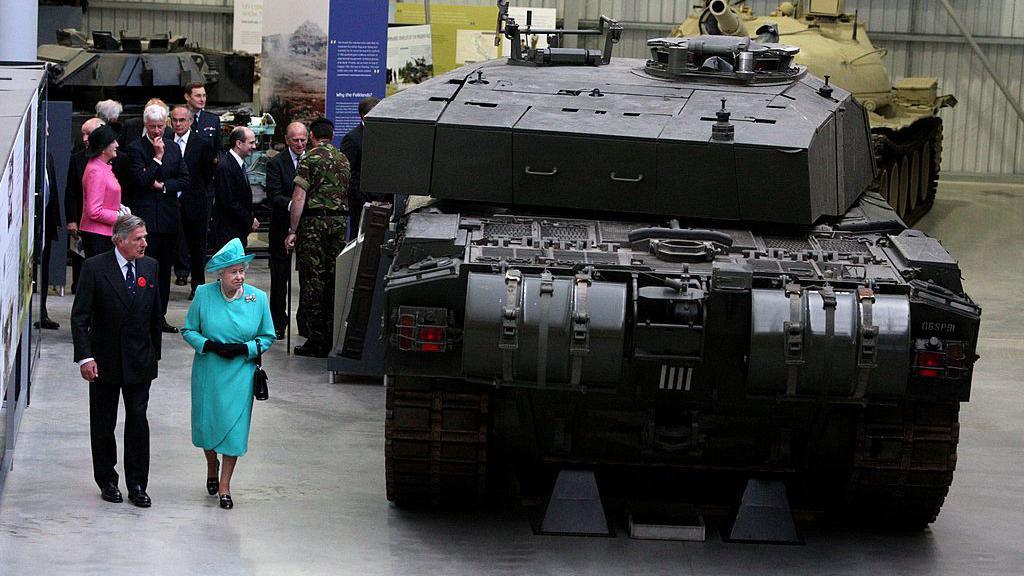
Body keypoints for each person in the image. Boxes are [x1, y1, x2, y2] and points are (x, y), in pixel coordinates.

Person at [71, 215, 162, 508]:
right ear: (119, 241)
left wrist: (153, 357)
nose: (144, 243)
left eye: (145, 237)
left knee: (138, 420)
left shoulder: (151, 267)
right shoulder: (94, 268)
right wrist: (85, 357)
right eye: (138, 239)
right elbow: (81, 317)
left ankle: (137, 483)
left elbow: (154, 317)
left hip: (139, 361)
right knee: (103, 423)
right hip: (104, 361)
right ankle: (107, 480)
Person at [181, 238, 275, 510]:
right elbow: (188, 330)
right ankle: (212, 464)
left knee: (234, 431)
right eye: (233, 271)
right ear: (220, 274)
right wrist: (207, 345)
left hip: (240, 373)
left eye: (242, 270)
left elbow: (268, 336)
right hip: (209, 370)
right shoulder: (203, 294)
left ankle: (224, 487)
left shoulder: (258, 299)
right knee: (206, 428)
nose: (239, 276)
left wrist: (245, 348)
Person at [284, 118, 350, 357]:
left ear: (312, 135)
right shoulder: (343, 159)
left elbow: (299, 197)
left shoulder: (309, 158)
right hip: (339, 223)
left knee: (313, 281)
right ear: (332, 136)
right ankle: (333, 336)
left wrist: (293, 230)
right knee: (334, 279)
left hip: (314, 224)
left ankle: (317, 340)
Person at [124, 103, 191, 333]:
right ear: (145, 125)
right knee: (144, 269)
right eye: (152, 127)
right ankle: (141, 315)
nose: (156, 131)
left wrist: (163, 186)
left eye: (160, 126)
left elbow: (184, 179)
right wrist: (157, 159)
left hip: (168, 219)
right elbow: (141, 181)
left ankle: (159, 315)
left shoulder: (174, 148)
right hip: (145, 222)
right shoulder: (135, 149)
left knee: (163, 272)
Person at [169, 105, 217, 299]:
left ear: (190, 122)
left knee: (197, 246)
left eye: (182, 120)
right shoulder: (165, 142)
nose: (178, 124)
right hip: (170, 201)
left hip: (194, 202)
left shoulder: (202, 144)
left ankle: (198, 285)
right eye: (175, 120)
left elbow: (207, 175)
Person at [265, 121, 307, 338]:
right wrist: (295, 205)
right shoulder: (276, 163)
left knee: (308, 276)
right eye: (295, 140)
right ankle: (278, 322)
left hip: (308, 227)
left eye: (303, 140)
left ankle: (306, 322)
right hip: (281, 226)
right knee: (280, 277)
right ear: (287, 140)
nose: (300, 144)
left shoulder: (312, 160)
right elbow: (273, 195)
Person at [66, 117, 106, 292]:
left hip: (107, 223)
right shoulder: (77, 159)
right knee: (81, 262)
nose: (84, 138)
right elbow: (71, 191)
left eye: (88, 134)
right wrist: (72, 219)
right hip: (83, 222)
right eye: (82, 134)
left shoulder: (117, 158)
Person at [80, 124, 130, 257]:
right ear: (103, 148)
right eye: (113, 142)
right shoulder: (95, 171)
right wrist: (119, 217)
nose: (117, 145)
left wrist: (119, 208)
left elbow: (107, 198)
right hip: (98, 237)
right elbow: (94, 211)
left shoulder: (103, 167)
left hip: (106, 233)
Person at [211, 127, 258, 249]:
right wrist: (250, 219)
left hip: (237, 229)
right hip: (228, 231)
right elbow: (229, 201)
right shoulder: (226, 166)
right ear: (238, 143)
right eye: (251, 142)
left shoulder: (237, 163)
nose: (254, 146)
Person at [339, 96, 379, 235]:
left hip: (383, 201)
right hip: (362, 202)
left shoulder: (384, 135)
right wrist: (360, 198)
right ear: (363, 116)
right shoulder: (352, 138)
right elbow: (348, 172)